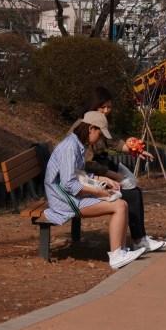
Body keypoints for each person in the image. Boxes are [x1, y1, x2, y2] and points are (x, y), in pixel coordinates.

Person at [44, 111, 145, 269]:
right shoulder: (70, 147)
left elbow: (78, 175)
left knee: (122, 203)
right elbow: (68, 184)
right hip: (63, 200)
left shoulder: (77, 144)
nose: (100, 138)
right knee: (119, 206)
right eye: (99, 133)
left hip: (67, 195)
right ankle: (116, 255)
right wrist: (98, 192)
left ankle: (120, 251)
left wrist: (102, 179)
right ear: (91, 128)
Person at [78, 86, 166, 253]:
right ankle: (133, 243)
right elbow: (87, 164)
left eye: (109, 107)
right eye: (102, 107)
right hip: (88, 179)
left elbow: (115, 143)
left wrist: (136, 149)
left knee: (135, 192)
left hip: (97, 173)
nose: (106, 111)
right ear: (93, 105)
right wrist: (112, 175)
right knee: (131, 196)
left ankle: (139, 239)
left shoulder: (98, 123)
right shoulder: (86, 127)